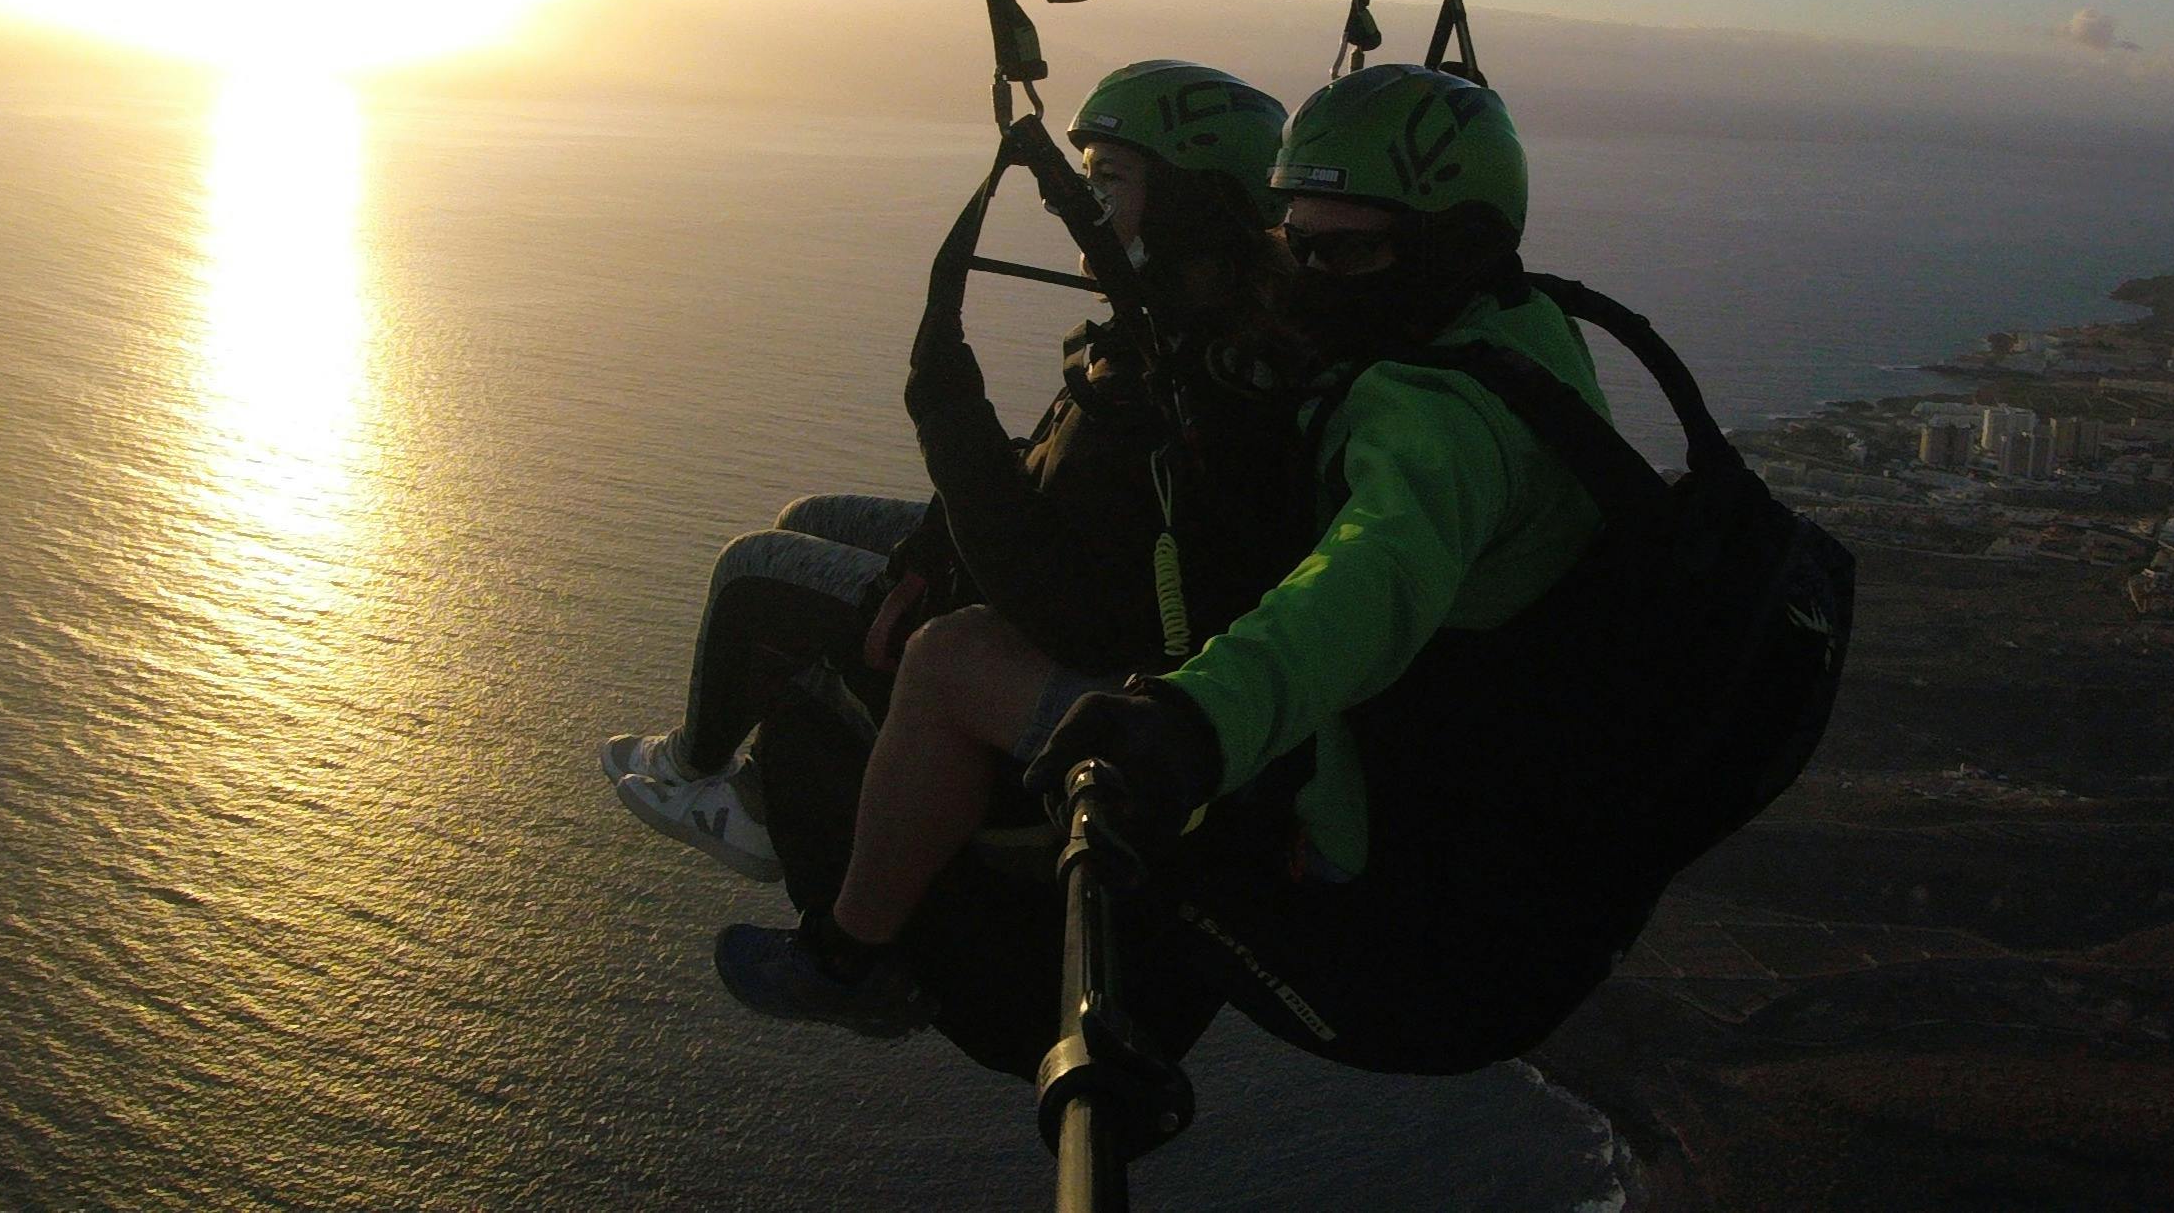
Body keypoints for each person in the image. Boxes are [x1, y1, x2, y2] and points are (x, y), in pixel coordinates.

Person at [605, 61, 1312, 1036]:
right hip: (1074, 583)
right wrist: (925, 549)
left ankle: (702, 783)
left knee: (753, 572)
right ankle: (757, 785)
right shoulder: (1179, 336)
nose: (1081, 207)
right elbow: (1047, 482)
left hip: (1101, 661)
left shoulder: (1187, 391)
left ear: (1185, 203)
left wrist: (945, 408)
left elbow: (1053, 600)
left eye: (1109, 180)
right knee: (812, 511)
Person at [1014, 63, 1645, 1074]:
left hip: (1386, 871)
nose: (1304, 278)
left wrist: (1197, 717)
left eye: (1340, 255)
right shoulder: (1510, 325)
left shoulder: (1439, 422)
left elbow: (1366, 580)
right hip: (1475, 798)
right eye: (1291, 242)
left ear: (1450, 245)